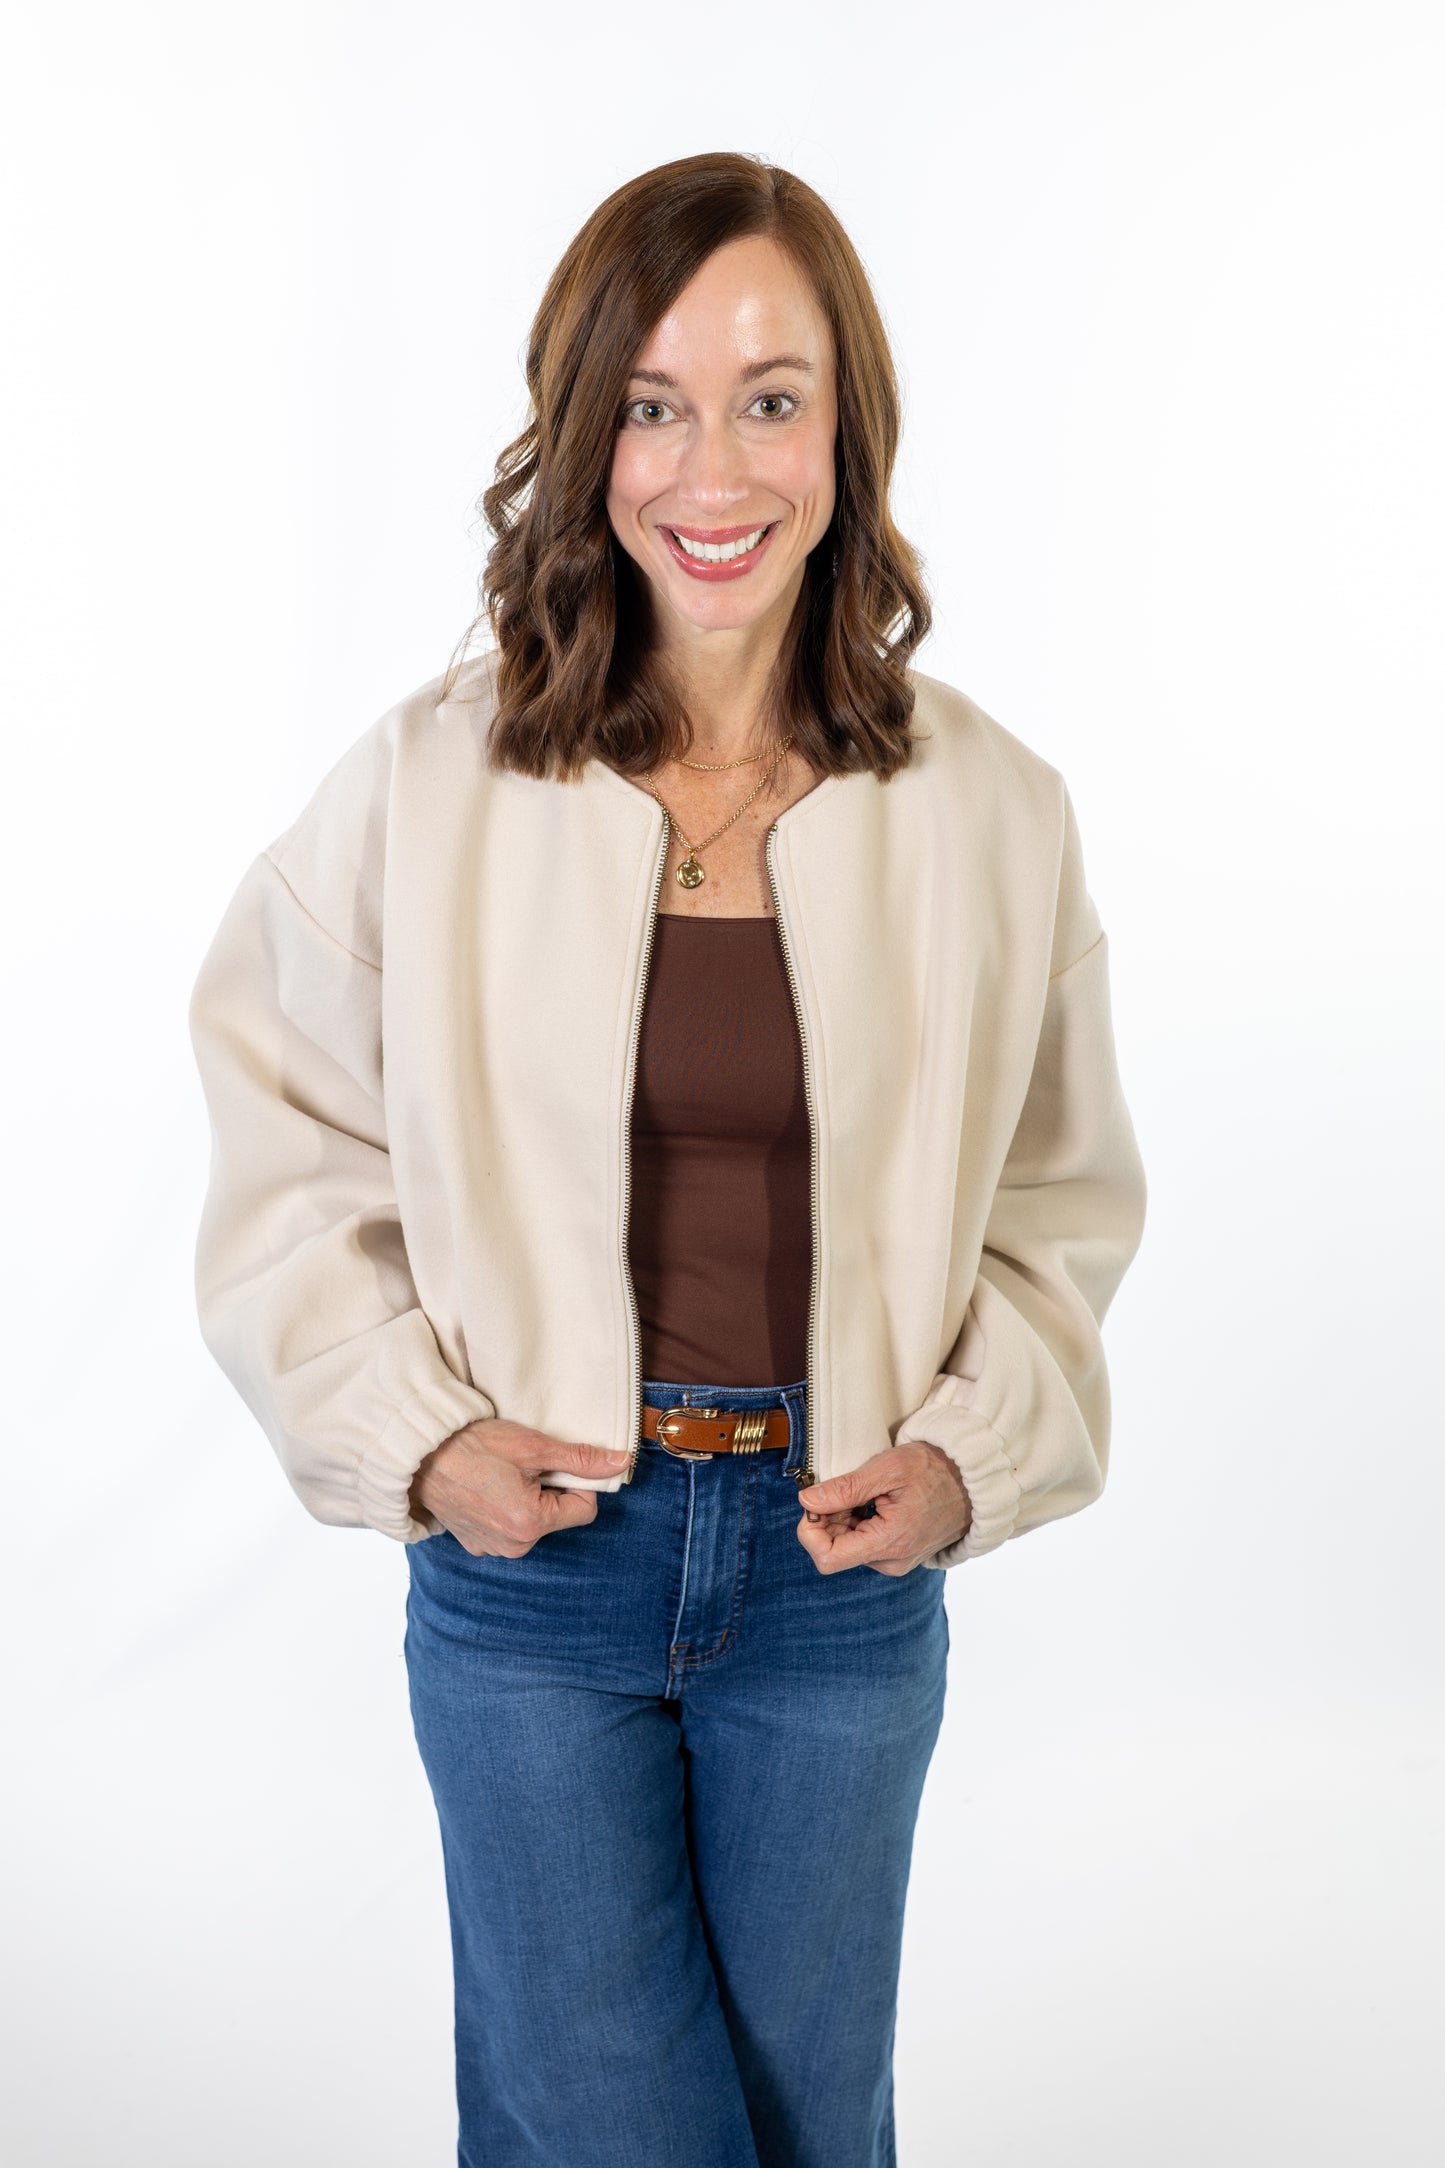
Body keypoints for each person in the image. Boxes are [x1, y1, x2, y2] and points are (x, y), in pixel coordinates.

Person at [188, 151, 1148, 2168]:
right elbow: (283, 1122)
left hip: (836, 1564)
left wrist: (979, 1442)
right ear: (585, 432)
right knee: (608, 2129)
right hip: (535, 1567)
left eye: (772, 397)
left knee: (809, 2126)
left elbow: (1061, 1194)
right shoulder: (433, 780)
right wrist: (415, 1435)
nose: (713, 467)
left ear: (847, 432)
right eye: (653, 401)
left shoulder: (987, 807)